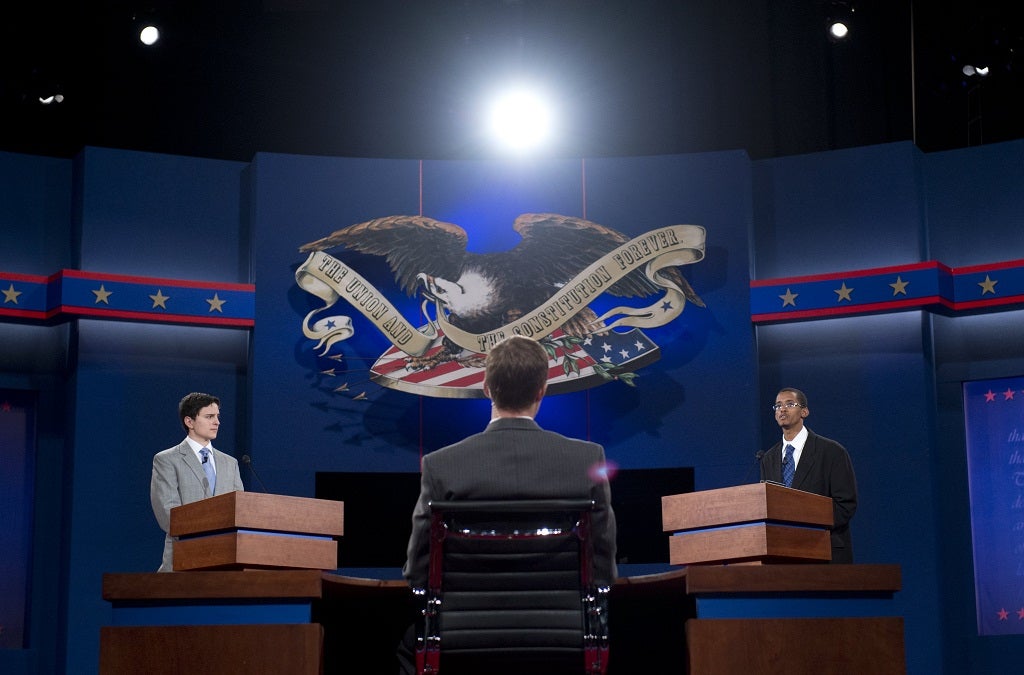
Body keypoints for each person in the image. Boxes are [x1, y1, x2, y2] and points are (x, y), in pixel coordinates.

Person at [398, 335, 618, 672]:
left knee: (407, 648)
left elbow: (418, 571)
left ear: (487, 388)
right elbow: (602, 567)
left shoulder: (442, 465)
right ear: (542, 390)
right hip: (562, 641)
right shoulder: (586, 460)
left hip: (464, 645)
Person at [759, 387, 858, 564]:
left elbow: (845, 505)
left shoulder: (831, 452)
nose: (782, 409)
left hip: (824, 552)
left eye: (790, 404)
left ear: (804, 411)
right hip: (782, 554)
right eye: (778, 406)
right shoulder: (768, 458)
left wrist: (806, 527)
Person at [150, 392, 244, 572]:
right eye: (209, 417)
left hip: (225, 563)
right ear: (189, 422)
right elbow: (167, 514)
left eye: (217, 416)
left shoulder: (230, 463)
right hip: (183, 561)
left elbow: (240, 511)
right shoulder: (167, 460)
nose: (217, 422)